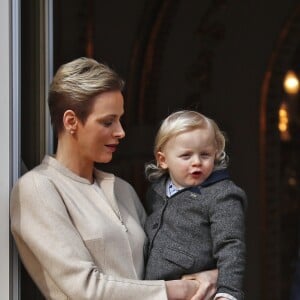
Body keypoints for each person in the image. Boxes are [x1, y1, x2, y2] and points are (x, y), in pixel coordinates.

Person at [10, 57, 218, 300]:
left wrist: (211, 276)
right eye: (108, 122)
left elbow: (161, 266)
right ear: (71, 121)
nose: (120, 132)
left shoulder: (122, 190)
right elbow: (86, 289)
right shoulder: (38, 189)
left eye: (119, 119)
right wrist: (179, 290)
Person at [144, 110, 247, 300]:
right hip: (153, 290)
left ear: (216, 154)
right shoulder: (155, 191)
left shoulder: (223, 195)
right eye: (186, 156)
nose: (197, 162)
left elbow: (231, 246)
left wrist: (228, 293)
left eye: (205, 154)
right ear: (163, 160)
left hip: (195, 292)